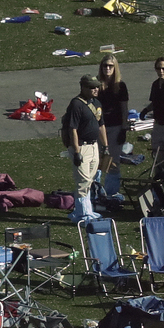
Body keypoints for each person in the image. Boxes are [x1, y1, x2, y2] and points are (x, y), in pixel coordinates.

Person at [62, 74, 108, 221]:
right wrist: (76, 151)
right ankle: (83, 214)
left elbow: (101, 125)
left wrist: (105, 145)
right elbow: (72, 129)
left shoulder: (97, 103)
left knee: (90, 179)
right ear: (83, 87)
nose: (95, 89)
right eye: (91, 87)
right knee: (83, 181)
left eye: (97, 87)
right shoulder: (76, 104)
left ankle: (85, 210)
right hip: (82, 147)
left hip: (94, 145)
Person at [98, 54, 129, 197]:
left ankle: (111, 193)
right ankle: (95, 191)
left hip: (115, 126)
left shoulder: (121, 86)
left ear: (115, 67)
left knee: (114, 161)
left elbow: (124, 109)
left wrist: (124, 129)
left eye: (110, 66)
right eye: (105, 65)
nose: (107, 68)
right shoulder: (97, 85)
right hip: (99, 127)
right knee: (97, 161)